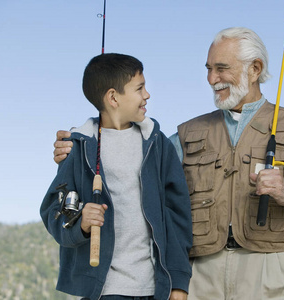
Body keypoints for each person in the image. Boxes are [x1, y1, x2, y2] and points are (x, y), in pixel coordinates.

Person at [54, 28, 284, 300]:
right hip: (200, 274)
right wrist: (78, 143)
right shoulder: (183, 135)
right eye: (208, 69)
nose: (212, 79)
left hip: (270, 270)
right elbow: (127, 158)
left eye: (221, 68)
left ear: (255, 69)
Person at [41, 53, 192, 300]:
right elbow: (53, 213)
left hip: (156, 288)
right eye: (140, 88)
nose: (147, 95)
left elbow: (177, 215)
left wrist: (178, 282)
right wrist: (82, 223)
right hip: (104, 291)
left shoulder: (158, 144)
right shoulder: (75, 146)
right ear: (113, 97)